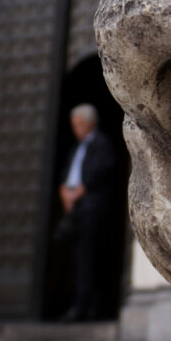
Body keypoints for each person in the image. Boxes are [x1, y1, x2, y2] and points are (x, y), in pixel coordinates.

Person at [59, 103, 119, 320]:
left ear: (91, 123)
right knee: (78, 258)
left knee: (90, 258)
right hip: (75, 209)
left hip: (92, 208)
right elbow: (68, 172)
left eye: (80, 124)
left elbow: (101, 171)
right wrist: (65, 192)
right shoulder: (77, 148)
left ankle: (89, 307)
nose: (76, 129)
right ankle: (82, 303)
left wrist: (80, 190)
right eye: (74, 125)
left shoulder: (101, 144)